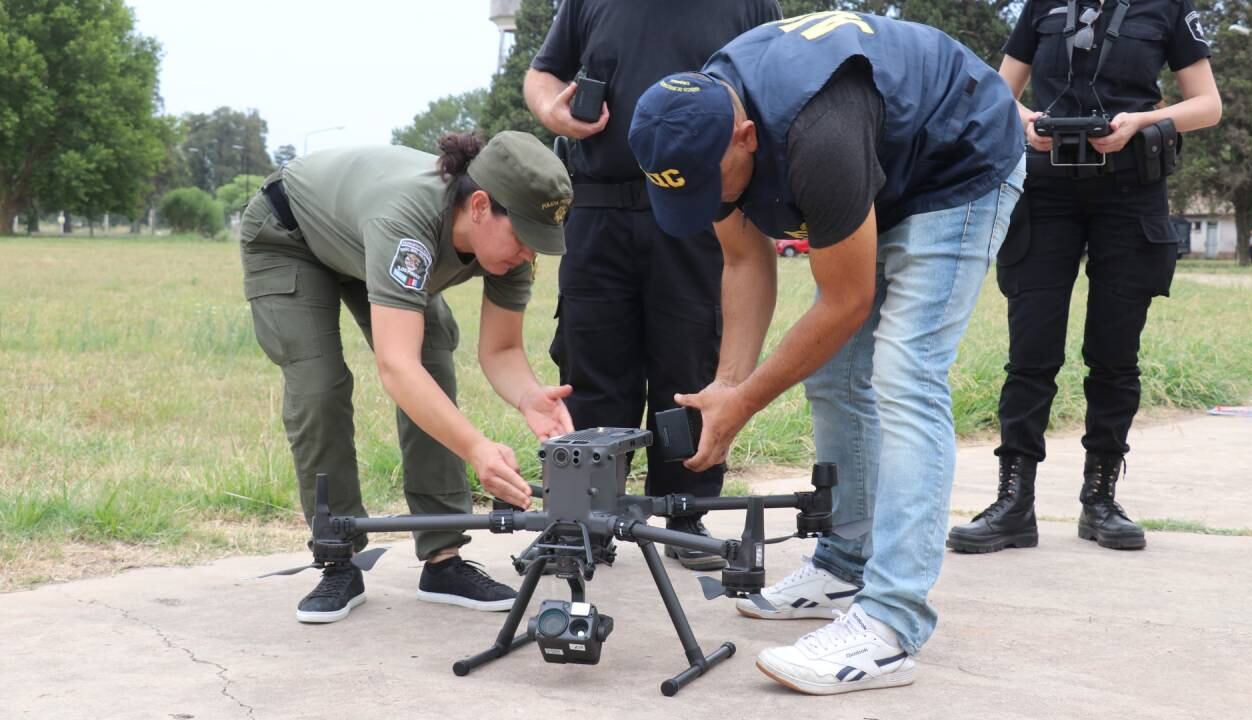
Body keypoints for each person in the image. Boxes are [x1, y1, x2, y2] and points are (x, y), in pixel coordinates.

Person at [628, 9, 1025, 694]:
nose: (704, 200)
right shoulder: (699, 128)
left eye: (707, 186)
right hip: (881, 160)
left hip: (957, 159)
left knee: (905, 374)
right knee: (834, 375)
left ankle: (892, 625)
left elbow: (846, 301)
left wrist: (747, 402)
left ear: (747, 137)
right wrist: (728, 383)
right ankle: (845, 564)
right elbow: (746, 263)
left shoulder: (816, 134)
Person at [240, 131, 575, 623]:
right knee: (320, 386)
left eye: (541, 244)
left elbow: (501, 349)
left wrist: (529, 397)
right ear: (480, 206)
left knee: (434, 354)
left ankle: (443, 560)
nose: (530, 255)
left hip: (362, 237)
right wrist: (477, 448)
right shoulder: (407, 219)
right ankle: (337, 557)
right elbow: (397, 368)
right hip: (290, 235)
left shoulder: (509, 248)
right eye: (525, 237)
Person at [948, 0, 1221, 555]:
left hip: (1131, 191)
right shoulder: (1043, 7)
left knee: (1115, 353)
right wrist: (1024, 120)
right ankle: (1013, 503)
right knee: (1031, 351)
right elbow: (1001, 88)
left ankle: (1099, 500)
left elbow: (1208, 104)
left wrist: (1142, 121)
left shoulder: (1165, 9)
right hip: (1047, 191)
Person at [521, 0, 782, 570]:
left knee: (688, 358)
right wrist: (554, 112)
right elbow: (543, 73)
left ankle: (685, 510)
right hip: (598, 204)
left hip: (699, 209)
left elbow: (769, 80)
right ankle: (583, 517)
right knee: (591, 363)